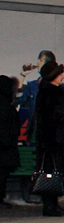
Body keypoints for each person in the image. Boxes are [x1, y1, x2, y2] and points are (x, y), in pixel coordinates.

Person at [34, 60, 64, 217]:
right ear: (53, 76)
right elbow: (53, 119)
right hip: (52, 140)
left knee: (53, 172)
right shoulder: (52, 93)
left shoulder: (46, 92)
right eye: (60, 74)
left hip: (51, 140)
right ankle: (50, 206)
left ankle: (52, 205)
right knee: (52, 172)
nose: (62, 77)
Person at [0, 75, 19, 208]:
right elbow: (13, 128)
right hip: (5, 148)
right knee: (2, 176)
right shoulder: (7, 105)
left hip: (4, 145)